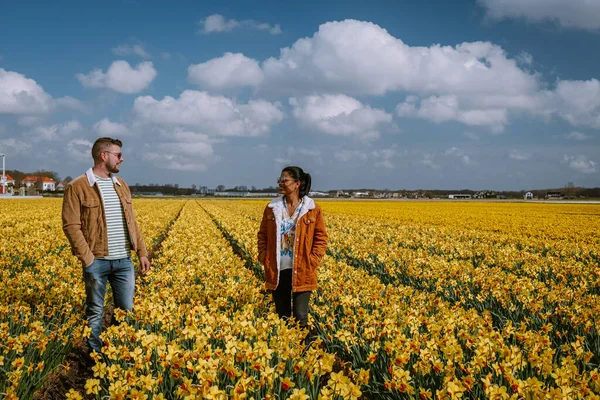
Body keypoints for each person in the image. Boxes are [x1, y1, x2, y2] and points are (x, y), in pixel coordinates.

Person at [62, 137, 150, 354]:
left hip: (123, 262)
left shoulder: (122, 185)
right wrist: (88, 258)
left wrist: (142, 252)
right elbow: (71, 225)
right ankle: (95, 355)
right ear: (104, 156)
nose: (122, 159)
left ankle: (118, 352)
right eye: (118, 155)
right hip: (97, 261)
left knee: (126, 310)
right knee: (95, 311)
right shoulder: (78, 186)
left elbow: (132, 222)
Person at [257, 166, 328, 329]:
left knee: (300, 316)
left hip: (302, 268)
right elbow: (262, 235)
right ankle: (286, 351)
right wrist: (263, 256)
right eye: (279, 180)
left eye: (284, 180)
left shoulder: (312, 209)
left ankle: (303, 352)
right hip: (277, 269)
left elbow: (321, 237)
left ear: (297, 184)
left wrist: (313, 260)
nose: (280, 183)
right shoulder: (271, 208)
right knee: (282, 316)